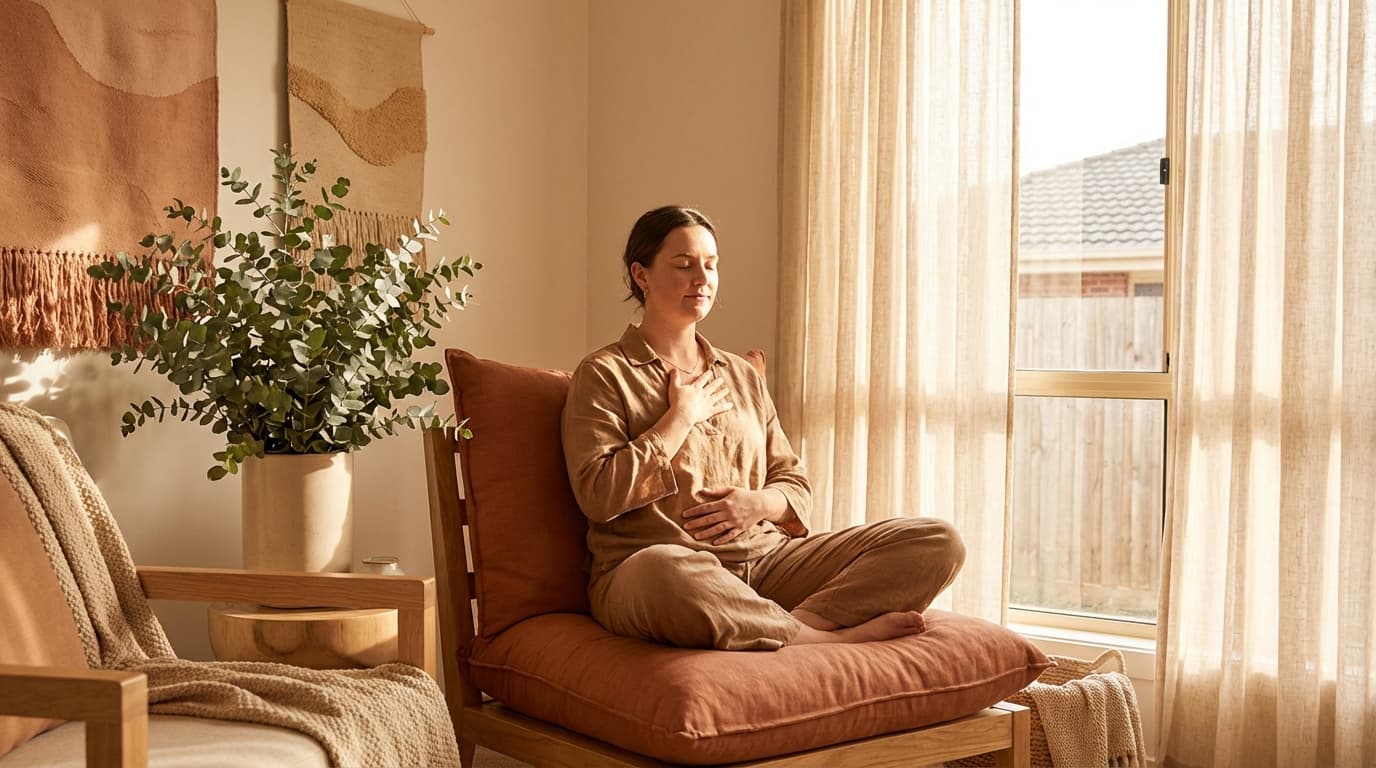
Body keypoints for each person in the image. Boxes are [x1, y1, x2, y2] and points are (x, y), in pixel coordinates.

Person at [560, 205, 965, 651]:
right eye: (684, 264)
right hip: (657, 571)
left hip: (767, 561)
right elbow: (598, 494)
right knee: (666, 570)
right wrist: (680, 418)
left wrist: (758, 504)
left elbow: (794, 483)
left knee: (937, 541)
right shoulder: (604, 373)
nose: (702, 278)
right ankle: (819, 639)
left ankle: (796, 628)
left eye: (711, 265)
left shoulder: (741, 375)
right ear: (642, 275)